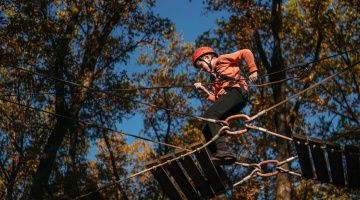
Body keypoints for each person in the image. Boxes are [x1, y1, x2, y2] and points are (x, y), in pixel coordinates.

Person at [192, 46, 258, 165]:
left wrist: (253, 70)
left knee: (210, 115)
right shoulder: (214, 78)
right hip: (231, 97)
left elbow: (245, 52)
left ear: (207, 57)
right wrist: (205, 92)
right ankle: (214, 156)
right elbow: (218, 99)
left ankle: (223, 150)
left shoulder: (222, 60)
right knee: (205, 124)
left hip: (237, 91)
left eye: (202, 66)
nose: (203, 69)